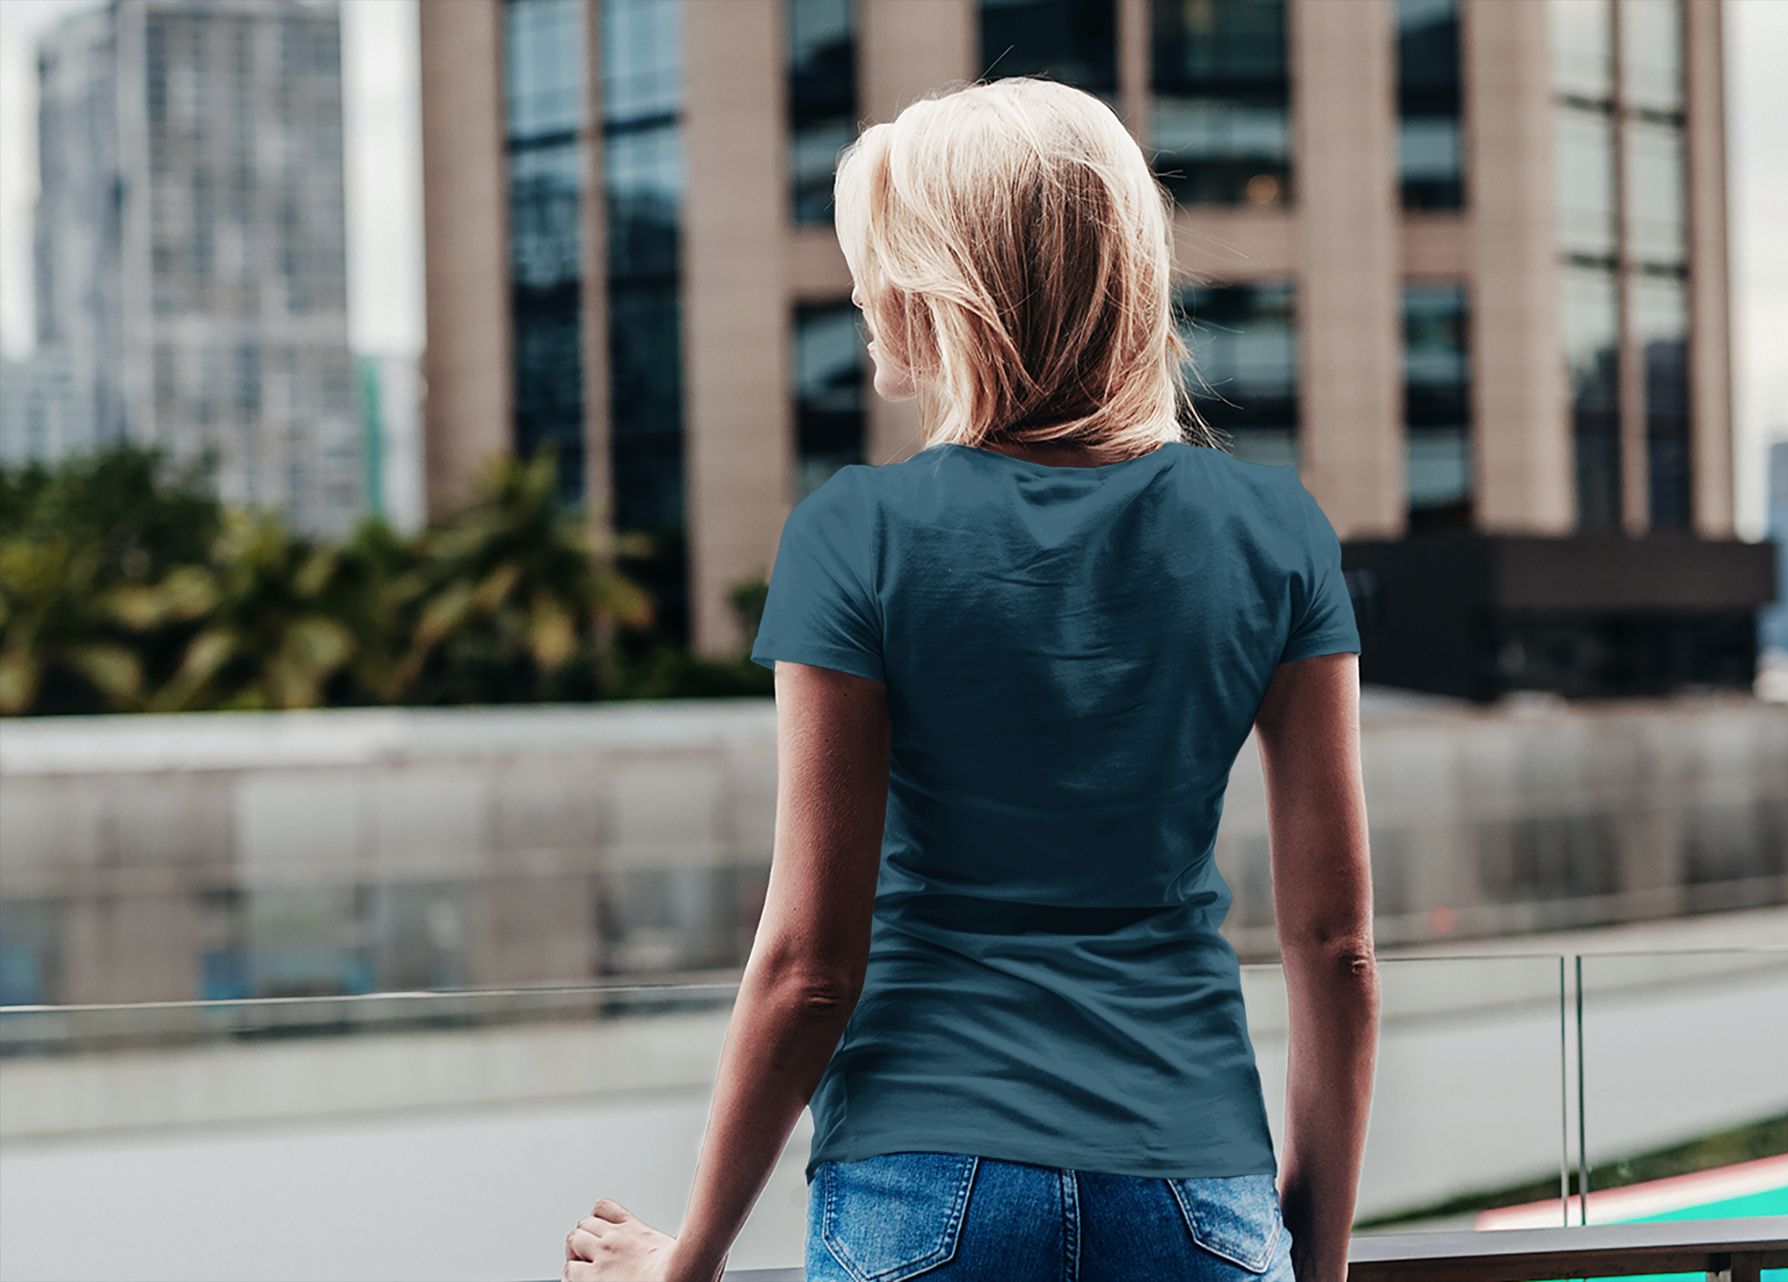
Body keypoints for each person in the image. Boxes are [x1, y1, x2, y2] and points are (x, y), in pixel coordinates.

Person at [562, 78, 1378, 1282]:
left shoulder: (858, 533)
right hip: (1196, 1198)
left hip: (925, 1188)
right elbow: (1336, 947)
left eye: (879, 259)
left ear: (954, 287)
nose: (858, 290)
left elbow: (808, 967)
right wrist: (1314, 1265)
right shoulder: (1275, 529)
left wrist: (685, 1263)